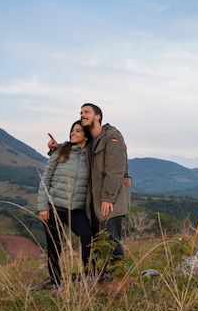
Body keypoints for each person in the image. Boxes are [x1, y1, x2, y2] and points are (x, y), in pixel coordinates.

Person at [48, 103, 130, 280]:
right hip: (95, 202)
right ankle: (95, 275)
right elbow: (76, 145)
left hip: (111, 200)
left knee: (110, 239)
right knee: (97, 240)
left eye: (86, 112)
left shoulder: (112, 136)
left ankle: (120, 277)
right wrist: (56, 147)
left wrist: (108, 197)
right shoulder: (92, 141)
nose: (82, 114)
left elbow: (116, 169)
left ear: (98, 116)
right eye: (81, 112)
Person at [38, 120, 93, 289]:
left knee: (87, 236)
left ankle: (87, 274)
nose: (73, 133)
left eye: (78, 131)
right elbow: (45, 179)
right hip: (54, 206)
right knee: (55, 246)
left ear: (86, 134)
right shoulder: (60, 151)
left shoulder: (91, 156)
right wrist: (43, 207)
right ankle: (56, 281)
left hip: (76, 209)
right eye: (72, 131)